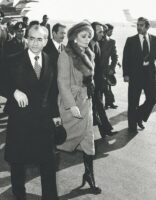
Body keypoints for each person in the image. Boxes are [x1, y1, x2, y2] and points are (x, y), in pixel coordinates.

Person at [4, 25, 60, 200]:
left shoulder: (51, 60)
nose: (35, 43)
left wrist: (56, 115)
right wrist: (13, 91)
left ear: (45, 41)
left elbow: (53, 91)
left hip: (43, 120)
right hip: (20, 119)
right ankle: (19, 194)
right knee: (18, 161)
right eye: (32, 38)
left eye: (40, 39)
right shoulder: (13, 59)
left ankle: (50, 196)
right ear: (26, 39)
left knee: (48, 161)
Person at [56, 21, 101, 194]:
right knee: (60, 139)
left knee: (89, 141)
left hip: (86, 103)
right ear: (74, 37)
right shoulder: (65, 55)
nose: (87, 39)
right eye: (84, 36)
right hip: (71, 105)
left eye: (89, 36)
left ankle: (89, 176)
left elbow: (90, 79)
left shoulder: (89, 53)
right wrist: (71, 105)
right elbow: (62, 82)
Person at [123, 17, 156, 134]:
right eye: (138, 25)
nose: (138, 27)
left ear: (147, 27)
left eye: (141, 25)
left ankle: (138, 116)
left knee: (153, 99)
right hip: (135, 76)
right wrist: (126, 74)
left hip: (150, 75)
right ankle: (132, 126)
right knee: (133, 102)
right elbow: (126, 58)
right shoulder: (130, 40)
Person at [90, 22, 117, 138]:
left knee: (99, 105)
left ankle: (105, 129)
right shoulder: (88, 45)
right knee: (96, 106)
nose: (103, 34)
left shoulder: (96, 44)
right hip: (90, 81)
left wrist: (111, 70)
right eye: (100, 31)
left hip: (99, 78)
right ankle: (104, 129)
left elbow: (114, 57)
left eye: (103, 31)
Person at [101, 23, 118, 109]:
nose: (111, 33)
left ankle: (109, 103)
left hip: (106, 69)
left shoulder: (111, 42)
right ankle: (101, 106)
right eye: (110, 31)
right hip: (96, 70)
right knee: (102, 89)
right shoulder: (96, 41)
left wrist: (112, 68)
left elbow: (115, 57)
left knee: (108, 87)